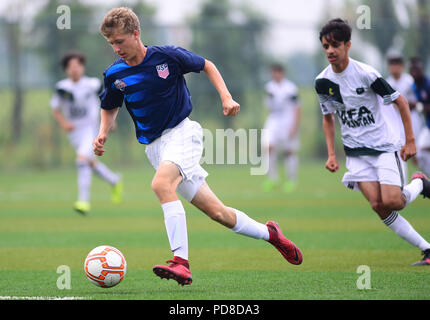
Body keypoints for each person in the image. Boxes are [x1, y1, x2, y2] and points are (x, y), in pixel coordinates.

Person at [94, 7, 303, 286]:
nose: (116, 48)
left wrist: (226, 98)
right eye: (111, 44)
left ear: (135, 33)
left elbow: (207, 65)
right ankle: (271, 234)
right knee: (218, 213)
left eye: (119, 41)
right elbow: (109, 106)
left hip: (183, 134)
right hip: (155, 149)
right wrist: (102, 133)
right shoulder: (114, 74)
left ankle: (181, 262)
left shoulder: (166, 56)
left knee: (160, 185)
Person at [314, 19, 430, 266]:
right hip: (355, 153)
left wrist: (410, 141)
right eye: (326, 46)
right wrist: (331, 154)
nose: (330, 51)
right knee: (378, 205)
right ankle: (427, 248)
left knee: (393, 202)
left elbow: (401, 102)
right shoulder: (322, 82)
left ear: (348, 45)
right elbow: (328, 118)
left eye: (335, 45)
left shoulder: (366, 74)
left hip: (384, 147)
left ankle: (419, 182)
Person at [50, 51, 123, 215]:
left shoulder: (92, 84)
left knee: (82, 159)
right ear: (66, 69)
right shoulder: (62, 88)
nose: (75, 69)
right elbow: (55, 108)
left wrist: (111, 122)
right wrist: (64, 124)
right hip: (74, 133)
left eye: (78, 65)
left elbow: (107, 102)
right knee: (88, 162)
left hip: (91, 129)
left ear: (82, 67)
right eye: (71, 66)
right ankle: (114, 180)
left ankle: (83, 201)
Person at [262, 64, 301, 193]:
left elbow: (297, 107)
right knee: (268, 147)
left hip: (287, 121)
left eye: (278, 72)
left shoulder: (290, 88)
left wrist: (294, 125)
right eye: (273, 72)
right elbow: (268, 105)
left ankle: (291, 180)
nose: (275, 75)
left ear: (282, 73)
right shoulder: (269, 87)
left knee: (289, 151)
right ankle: (272, 179)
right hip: (274, 120)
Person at [386, 54, 423, 177]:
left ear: (401, 66)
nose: (394, 67)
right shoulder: (387, 82)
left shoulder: (409, 81)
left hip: (412, 119)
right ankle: (404, 183)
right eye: (392, 64)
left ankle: (422, 180)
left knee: (419, 153)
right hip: (396, 121)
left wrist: (402, 104)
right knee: (401, 150)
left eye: (397, 64)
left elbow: (418, 101)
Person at [410, 57, 430, 178]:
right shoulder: (414, 85)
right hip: (427, 125)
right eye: (412, 69)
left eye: (416, 69)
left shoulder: (427, 84)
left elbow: (420, 106)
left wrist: (418, 106)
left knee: (420, 151)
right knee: (417, 153)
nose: (414, 72)